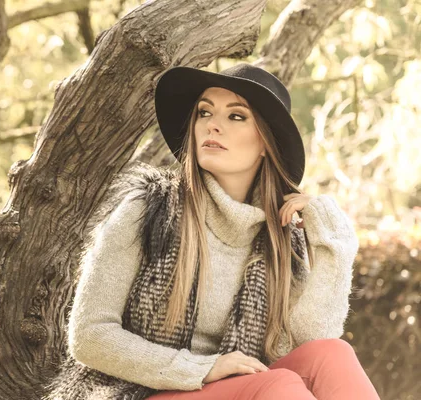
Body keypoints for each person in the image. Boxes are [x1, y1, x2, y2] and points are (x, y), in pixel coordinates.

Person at [42, 63, 380, 400]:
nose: (212, 126)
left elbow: (306, 343)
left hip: (240, 391)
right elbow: (89, 336)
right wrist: (200, 369)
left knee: (332, 355)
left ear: (266, 142)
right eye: (205, 112)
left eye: (236, 116)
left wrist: (336, 242)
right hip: (134, 391)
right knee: (278, 387)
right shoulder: (148, 211)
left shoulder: (280, 236)